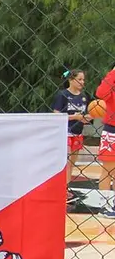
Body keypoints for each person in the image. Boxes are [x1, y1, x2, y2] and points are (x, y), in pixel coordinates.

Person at [51, 69, 92, 204]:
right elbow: (56, 115)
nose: (82, 82)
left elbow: (86, 114)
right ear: (71, 80)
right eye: (79, 79)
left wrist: (87, 118)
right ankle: (63, 189)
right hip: (65, 132)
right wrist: (75, 117)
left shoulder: (84, 96)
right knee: (66, 162)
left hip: (78, 132)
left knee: (72, 164)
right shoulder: (62, 95)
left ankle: (65, 188)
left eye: (83, 80)